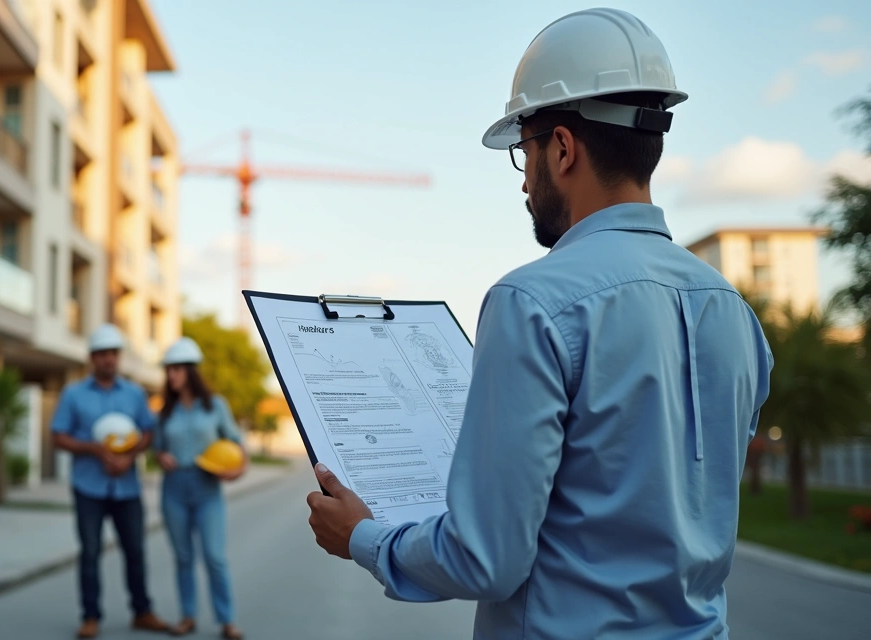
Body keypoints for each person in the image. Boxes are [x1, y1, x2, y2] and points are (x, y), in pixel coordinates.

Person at [306, 8, 773, 639]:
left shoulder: (533, 301)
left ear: (561, 147)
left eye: (524, 152)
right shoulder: (734, 312)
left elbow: (485, 558)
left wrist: (364, 538)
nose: (525, 181)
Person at [52, 324, 170, 639]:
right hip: (88, 486)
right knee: (90, 552)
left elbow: (147, 432)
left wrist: (129, 458)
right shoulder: (73, 393)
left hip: (127, 487)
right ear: (92, 357)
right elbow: (58, 436)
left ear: (118, 357)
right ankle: (90, 616)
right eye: (102, 354)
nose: (108, 359)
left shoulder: (134, 393)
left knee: (135, 551)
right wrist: (93, 449)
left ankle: (142, 612)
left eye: (113, 354)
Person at [154, 337, 246, 640]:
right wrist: (161, 456)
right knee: (182, 557)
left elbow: (235, 442)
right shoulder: (165, 411)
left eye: (177, 369)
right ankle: (187, 616)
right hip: (174, 488)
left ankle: (227, 620)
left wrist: (237, 469)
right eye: (169, 370)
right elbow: (157, 447)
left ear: (192, 371)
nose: (171, 375)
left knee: (215, 557)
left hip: (207, 487)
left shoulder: (215, 405)